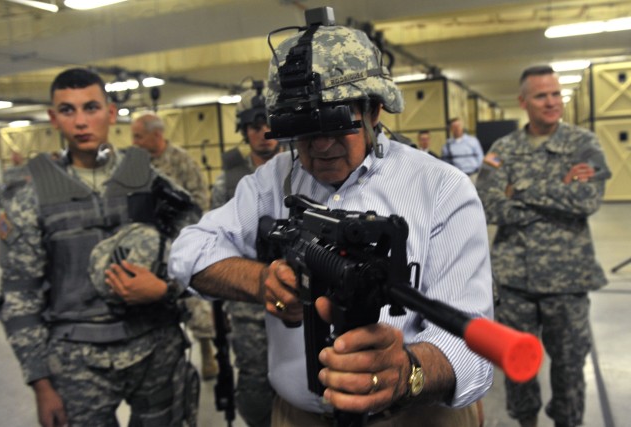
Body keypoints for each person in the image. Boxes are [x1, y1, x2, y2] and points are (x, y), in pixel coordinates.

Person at [169, 10, 493, 427]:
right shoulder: (270, 183)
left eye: (338, 124)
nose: (321, 146)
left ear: (374, 110)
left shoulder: (440, 188)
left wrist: (408, 371)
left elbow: (472, 343)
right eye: (304, 128)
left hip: (415, 413)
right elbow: (187, 252)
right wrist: (262, 281)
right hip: (300, 414)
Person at [0, 68, 199, 427]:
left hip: (156, 347)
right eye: (68, 111)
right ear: (54, 118)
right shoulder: (31, 198)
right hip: (77, 359)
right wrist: (41, 383)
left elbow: (197, 254)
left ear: (111, 112)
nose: (81, 122)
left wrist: (167, 288)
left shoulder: (150, 183)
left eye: (91, 108)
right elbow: (20, 297)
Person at [475, 65, 611, 427]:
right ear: (523, 102)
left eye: (555, 94)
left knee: (568, 366)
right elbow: (486, 203)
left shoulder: (584, 145)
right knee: (518, 366)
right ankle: (527, 422)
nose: (551, 102)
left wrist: (519, 191)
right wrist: (557, 193)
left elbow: (586, 201)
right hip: (514, 279)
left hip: (567, 280)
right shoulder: (503, 149)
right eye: (541, 95)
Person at [210, 83, 280, 427]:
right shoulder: (227, 184)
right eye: (255, 127)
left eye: (269, 123)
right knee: (254, 388)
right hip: (248, 305)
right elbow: (217, 247)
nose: (264, 134)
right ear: (244, 131)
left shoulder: (302, 170)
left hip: (301, 299)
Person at [131, 112, 219, 380]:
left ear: (156, 135)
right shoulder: (136, 165)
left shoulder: (180, 160)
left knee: (192, 298)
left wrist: (186, 235)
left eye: (138, 136)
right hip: (147, 242)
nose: (133, 142)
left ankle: (206, 348)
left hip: (180, 240)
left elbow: (199, 199)